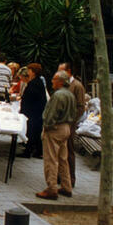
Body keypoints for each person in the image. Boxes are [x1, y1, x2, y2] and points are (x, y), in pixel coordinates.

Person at [36, 71, 77, 200]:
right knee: (63, 159)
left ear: (60, 81)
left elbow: (51, 115)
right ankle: (66, 186)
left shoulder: (58, 95)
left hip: (55, 128)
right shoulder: (69, 94)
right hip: (66, 127)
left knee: (51, 159)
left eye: (54, 79)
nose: (52, 81)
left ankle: (51, 188)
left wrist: (47, 126)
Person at [58, 62, 86, 187]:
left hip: (69, 123)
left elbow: (81, 107)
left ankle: (71, 178)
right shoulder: (63, 84)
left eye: (61, 71)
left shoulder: (77, 86)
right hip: (60, 123)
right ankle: (62, 176)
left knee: (69, 151)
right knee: (60, 150)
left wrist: (70, 120)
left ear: (68, 71)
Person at [19, 63, 47, 158]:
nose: (28, 72)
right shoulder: (36, 82)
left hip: (34, 112)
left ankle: (32, 151)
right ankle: (35, 150)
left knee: (33, 131)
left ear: (33, 72)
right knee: (34, 132)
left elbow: (31, 98)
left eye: (29, 70)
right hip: (35, 112)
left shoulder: (35, 83)